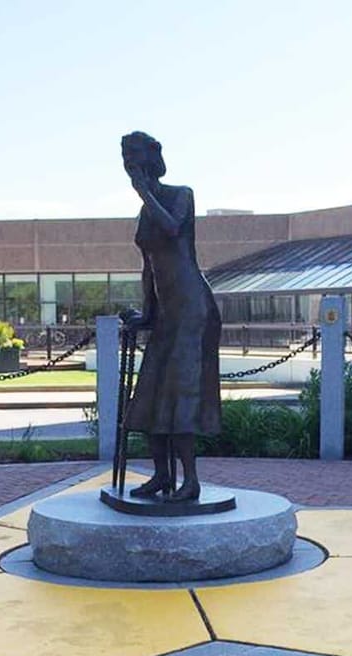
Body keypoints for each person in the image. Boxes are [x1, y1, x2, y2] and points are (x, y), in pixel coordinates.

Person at [119, 131, 221, 502]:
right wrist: (146, 314)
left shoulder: (181, 195)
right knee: (149, 395)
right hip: (166, 313)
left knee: (180, 395)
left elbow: (174, 230)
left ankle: (190, 480)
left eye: (133, 154)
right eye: (125, 156)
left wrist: (144, 192)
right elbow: (148, 267)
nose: (128, 162)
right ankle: (162, 475)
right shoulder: (144, 213)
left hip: (192, 308)